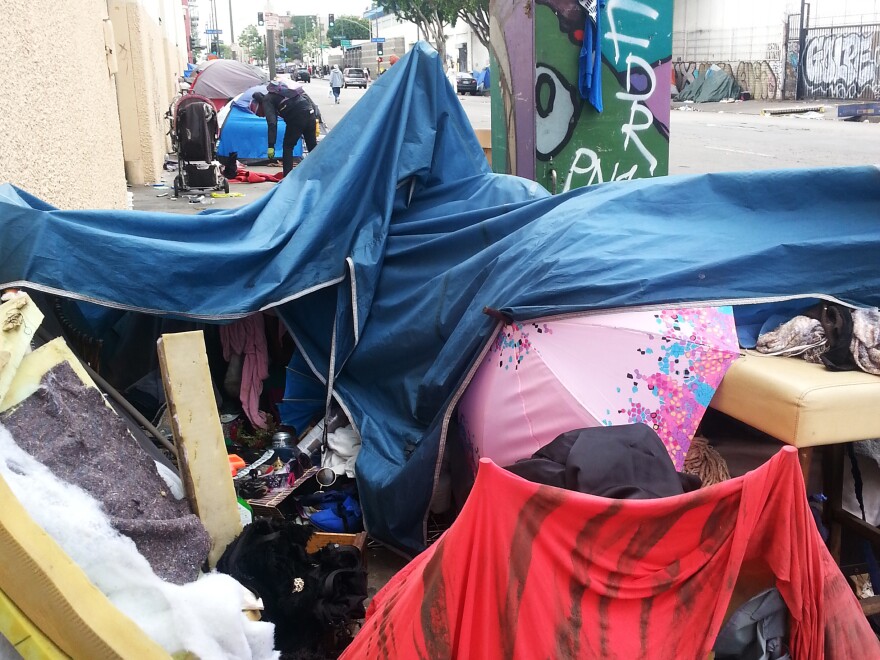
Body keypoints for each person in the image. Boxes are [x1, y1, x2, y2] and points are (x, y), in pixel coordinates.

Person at [250, 84, 318, 176]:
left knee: (288, 147)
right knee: (312, 147)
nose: (261, 116)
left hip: (297, 116)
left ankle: (287, 178)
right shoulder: (279, 94)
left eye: (258, 114)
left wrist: (271, 146)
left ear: (259, 106)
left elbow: (272, 123)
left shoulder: (267, 99)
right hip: (310, 112)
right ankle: (318, 174)